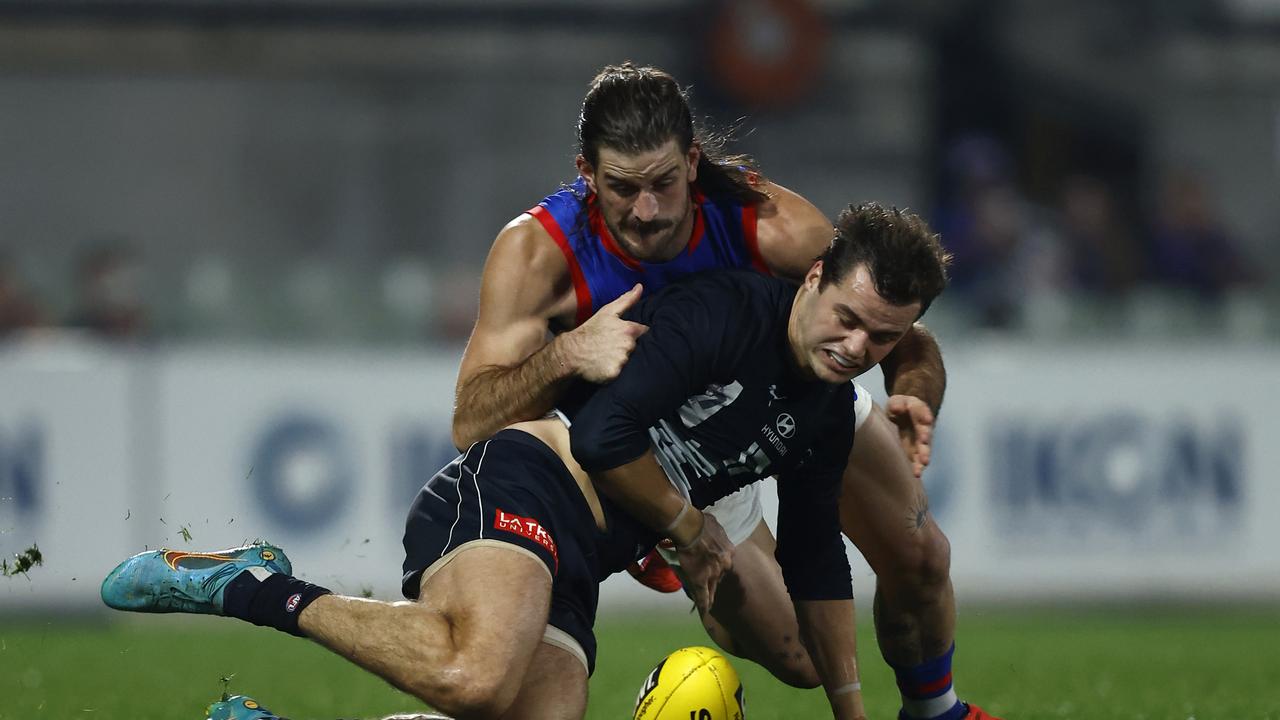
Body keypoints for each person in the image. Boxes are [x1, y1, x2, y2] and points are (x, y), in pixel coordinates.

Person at [103, 204, 986, 720]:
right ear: (815, 274)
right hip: (525, 482)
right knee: (475, 679)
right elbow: (603, 440)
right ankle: (254, 586)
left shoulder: (825, 407)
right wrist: (686, 531)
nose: (858, 346)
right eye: (850, 317)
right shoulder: (722, 314)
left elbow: (816, 560)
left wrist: (851, 712)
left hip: (585, 554)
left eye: (884, 337)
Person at [451, 63, 989, 720]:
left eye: (664, 184)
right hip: (672, 455)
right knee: (798, 659)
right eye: (622, 188)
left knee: (922, 553)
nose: (646, 211)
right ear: (586, 173)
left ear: (693, 160)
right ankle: (682, 565)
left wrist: (912, 393)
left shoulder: (770, 223)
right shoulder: (538, 253)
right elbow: (471, 421)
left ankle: (938, 713)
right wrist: (566, 352)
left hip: (793, 398)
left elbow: (904, 334)